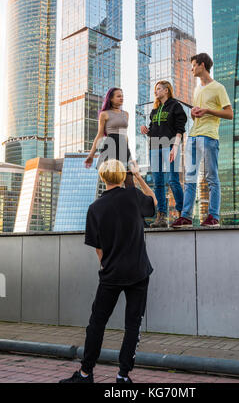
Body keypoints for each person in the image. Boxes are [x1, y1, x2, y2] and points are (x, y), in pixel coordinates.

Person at [59, 159, 157, 384]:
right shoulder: (133, 197)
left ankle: (85, 374)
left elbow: (98, 249)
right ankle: (122, 376)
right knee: (133, 325)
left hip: (111, 274)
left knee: (97, 323)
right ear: (123, 177)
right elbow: (154, 203)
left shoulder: (95, 209)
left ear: (103, 179)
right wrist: (138, 176)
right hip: (139, 272)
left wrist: (106, 266)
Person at [172, 53, 233, 228]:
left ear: (202, 65)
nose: (191, 68)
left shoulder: (218, 88)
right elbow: (197, 112)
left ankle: (213, 216)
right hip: (192, 136)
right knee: (190, 177)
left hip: (209, 137)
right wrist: (194, 113)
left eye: (193, 65)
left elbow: (229, 113)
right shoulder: (196, 89)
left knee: (211, 178)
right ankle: (186, 217)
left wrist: (207, 111)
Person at [141, 81, 187, 228]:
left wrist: (175, 146)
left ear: (166, 90)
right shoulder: (155, 110)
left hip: (170, 146)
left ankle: (183, 215)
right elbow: (153, 130)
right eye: (155, 89)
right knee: (158, 183)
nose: (156, 91)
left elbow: (180, 127)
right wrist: (147, 131)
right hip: (154, 148)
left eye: (159, 89)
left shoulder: (175, 106)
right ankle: (161, 217)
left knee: (173, 180)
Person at [85, 87, 134, 188]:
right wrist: (91, 155)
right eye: (118, 96)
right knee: (113, 182)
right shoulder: (104, 114)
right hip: (110, 147)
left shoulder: (126, 114)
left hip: (123, 148)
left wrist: (129, 154)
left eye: (122, 96)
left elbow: (125, 135)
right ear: (111, 99)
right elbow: (99, 135)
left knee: (129, 182)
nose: (122, 98)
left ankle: (130, 203)